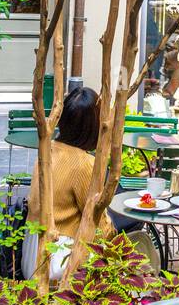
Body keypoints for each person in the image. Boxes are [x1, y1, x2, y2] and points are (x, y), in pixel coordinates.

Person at [23, 86, 157, 278]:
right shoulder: (84, 164)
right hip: (60, 259)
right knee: (141, 243)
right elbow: (99, 225)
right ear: (95, 125)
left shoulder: (47, 150)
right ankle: (143, 300)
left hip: (32, 252)